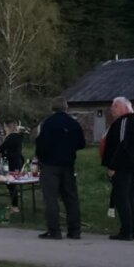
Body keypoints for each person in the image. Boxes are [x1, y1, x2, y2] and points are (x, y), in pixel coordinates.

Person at [34, 97, 86, 240]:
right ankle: (74, 230)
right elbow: (81, 143)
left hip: (50, 165)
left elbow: (41, 144)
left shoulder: (48, 123)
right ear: (66, 107)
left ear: (52, 108)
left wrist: (41, 158)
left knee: (51, 198)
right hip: (68, 164)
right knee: (71, 198)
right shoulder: (73, 123)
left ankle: (54, 230)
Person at [102, 97, 134, 240]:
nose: (112, 109)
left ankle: (126, 230)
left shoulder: (125, 122)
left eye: (115, 106)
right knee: (130, 197)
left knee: (122, 197)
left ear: (124, 108)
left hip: (123, 166)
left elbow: (122, 144)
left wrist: (113, 165)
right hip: (133, 164)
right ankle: (133, 230)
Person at [0, 119, 25, 212]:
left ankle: (15, 206)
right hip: (18, 161)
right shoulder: (18, 137)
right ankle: (14, 204)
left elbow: (1, 148)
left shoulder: (11, 137)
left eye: (5, 127)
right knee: (13, 184)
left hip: (11, 163)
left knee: (11, 184)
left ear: (7, 127)